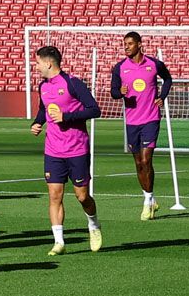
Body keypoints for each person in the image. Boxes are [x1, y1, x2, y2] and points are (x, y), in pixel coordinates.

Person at [32, 46, 103, 255]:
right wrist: (37, 123)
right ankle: (59, 242)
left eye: (37, 63)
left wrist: (67, 117)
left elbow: (94, 109)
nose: (36, 67)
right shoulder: (43, 86)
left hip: (77, 148)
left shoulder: (73, 83)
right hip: (53, 150)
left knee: (82, 196)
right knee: (54, 195)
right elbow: (44, 109)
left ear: (48, 63)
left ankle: (93, 225)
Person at [109, 32, 172, 220]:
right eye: (125, 44)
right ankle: (150, 198)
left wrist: (162, 96)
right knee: (138, 163)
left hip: (151, 118)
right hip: (131, 121)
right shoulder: (120, 68)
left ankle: (147, 201)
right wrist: (120, 92)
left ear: (139, 44)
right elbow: (113, 92)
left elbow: (168, 79)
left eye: (130, 43)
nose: (126, 47)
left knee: (146, 160)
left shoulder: (154, 64)